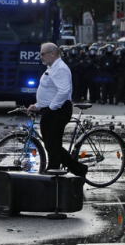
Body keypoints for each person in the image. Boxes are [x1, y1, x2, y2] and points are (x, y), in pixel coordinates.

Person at [27, 42, 88, 178]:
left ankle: (53, 174)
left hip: (59, 110)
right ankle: (77, 169)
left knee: (52, 144)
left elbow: (63, 91)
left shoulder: (60, 68)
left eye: (42, 54)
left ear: (52, 54)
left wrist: (51, 107)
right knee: (51, 145)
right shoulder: (52, 67)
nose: (40, 56)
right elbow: (48, 91)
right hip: (52, 109)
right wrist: (37, 105)